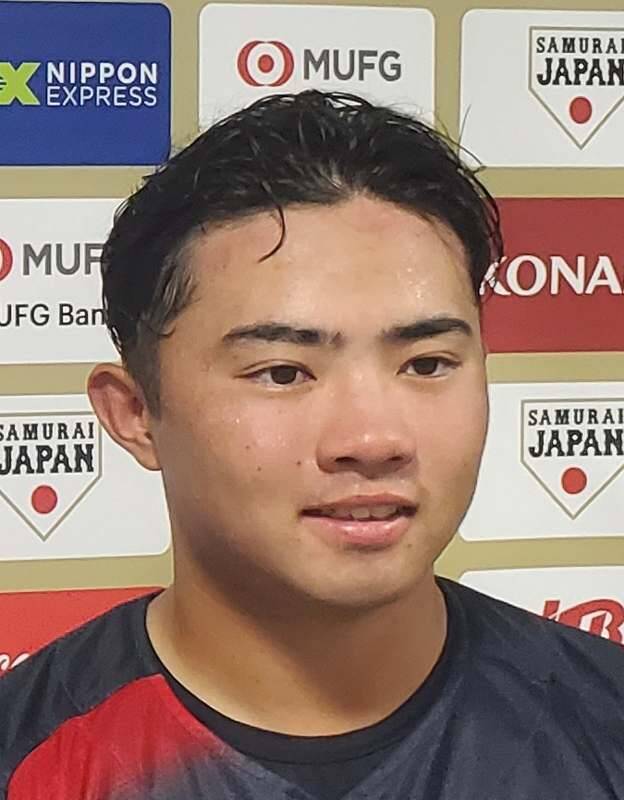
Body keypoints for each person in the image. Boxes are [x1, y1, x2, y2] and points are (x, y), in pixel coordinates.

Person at [0, 90, 622, 800]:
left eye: (426, 364)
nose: (373, 439)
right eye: (283, 373)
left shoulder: (604, 722)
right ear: (136, 413)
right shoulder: (30, 761)